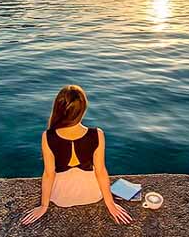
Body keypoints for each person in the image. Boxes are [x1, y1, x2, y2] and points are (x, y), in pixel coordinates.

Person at [21, 85, 132, 225]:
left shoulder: (47, 136)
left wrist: (44, 205)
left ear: (58, 109)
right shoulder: (97, 134)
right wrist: (110, 203)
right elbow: (101, 171)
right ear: (83, 110)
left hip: (61, 197)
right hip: (92, 194)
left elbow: (49, 174)